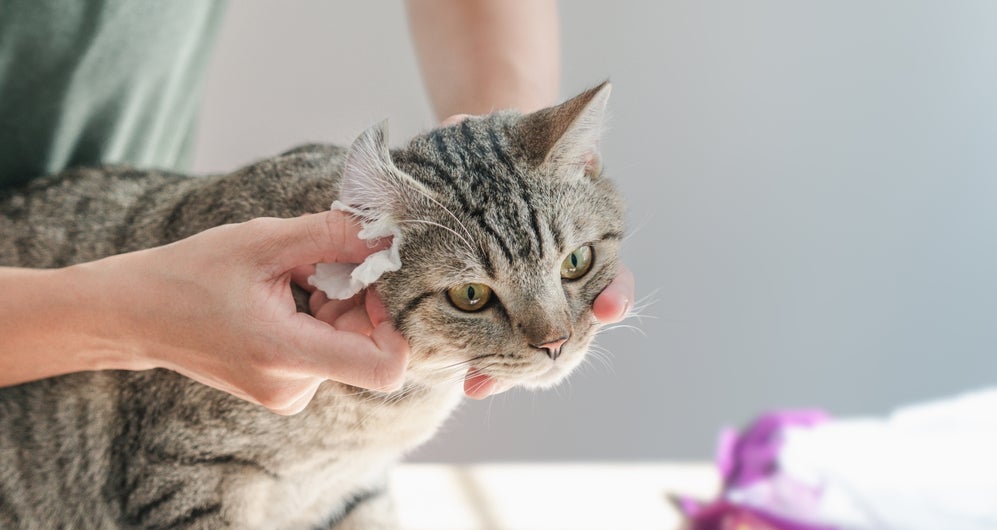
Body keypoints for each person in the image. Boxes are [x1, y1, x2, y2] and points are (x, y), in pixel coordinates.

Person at [0, 0, 634, 414]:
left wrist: (517, 161)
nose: (551, 337)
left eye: (575, 262)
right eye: (474, 296)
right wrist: (134, 318)